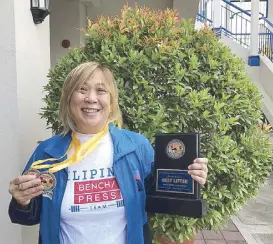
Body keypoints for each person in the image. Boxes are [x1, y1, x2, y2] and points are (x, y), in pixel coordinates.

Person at [8, 61, 208, 244]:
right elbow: (26, 216)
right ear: (69, 99)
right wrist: (21, 201)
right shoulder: (47, 153)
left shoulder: (136, 146)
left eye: (101, 90)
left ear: (111, 101)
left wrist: (188, 178)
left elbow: (159, 197)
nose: (91, 98)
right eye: (82, 89)